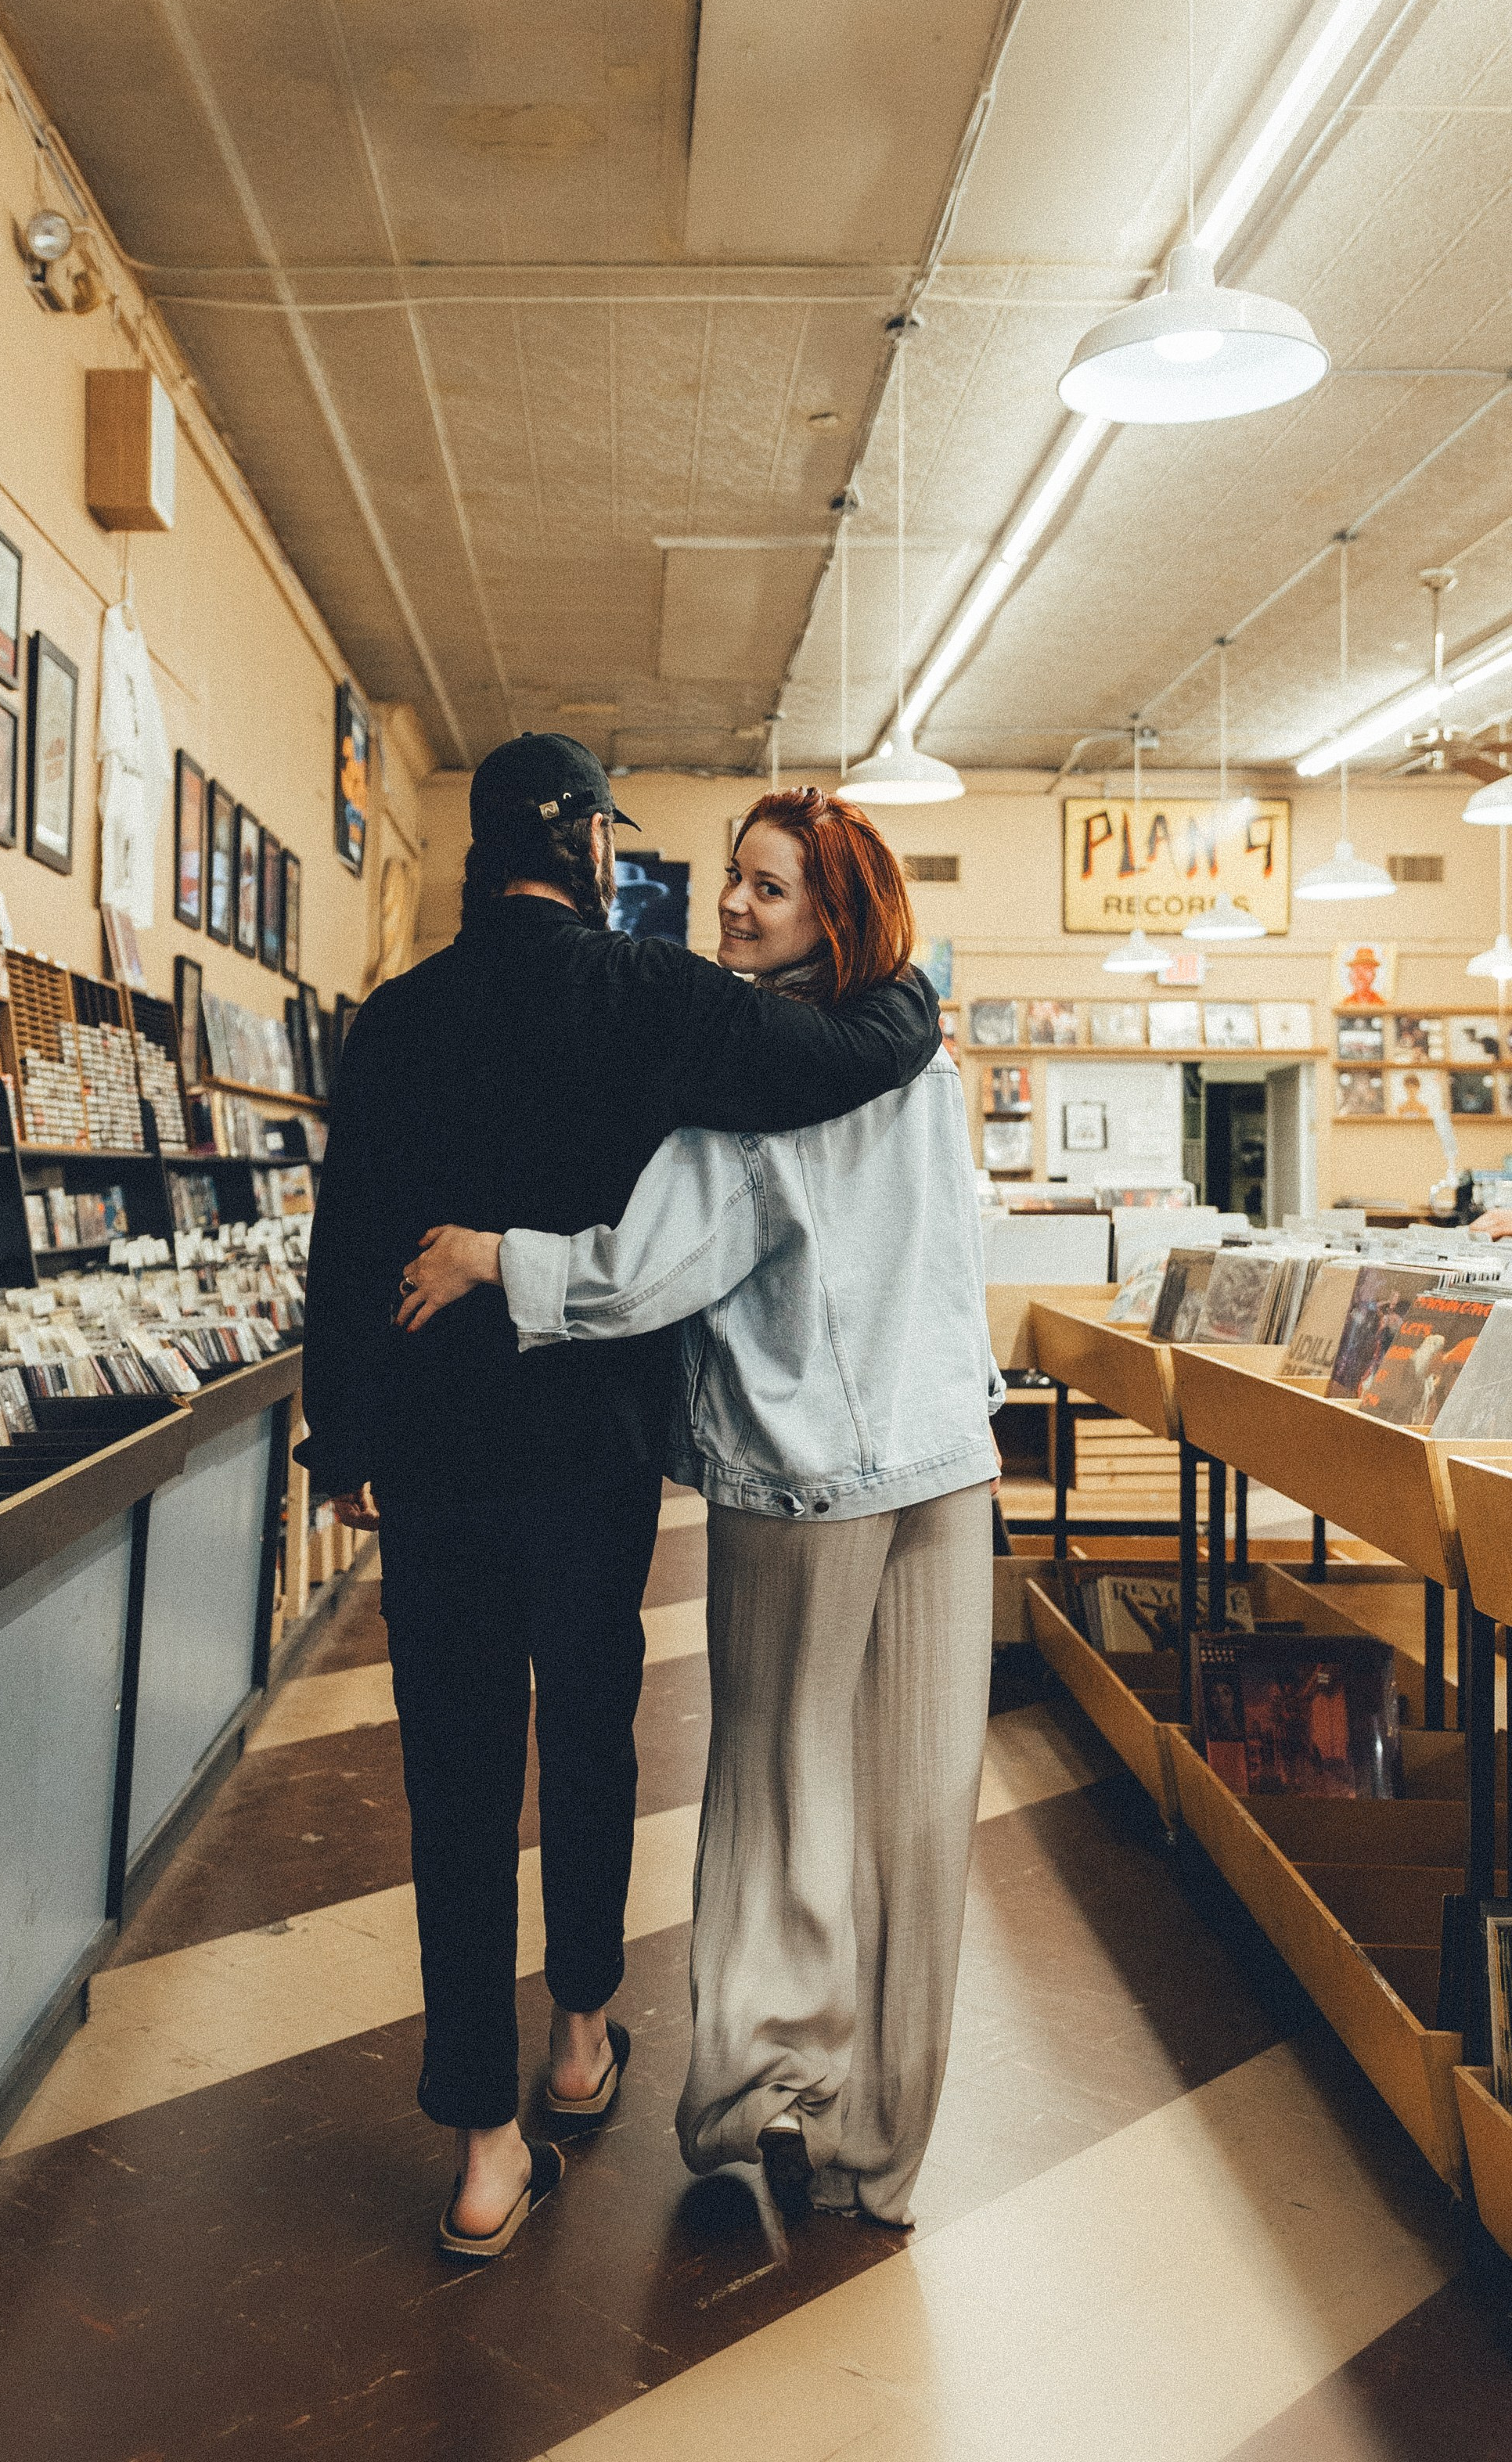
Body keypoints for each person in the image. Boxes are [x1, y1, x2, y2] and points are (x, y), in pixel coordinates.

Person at [301, 737, 942, 2259]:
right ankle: (582, 2040)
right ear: (590, 843)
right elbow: (842, 1057)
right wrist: (916, 988)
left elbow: (346, 1237)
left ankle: (482, 2151)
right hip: (592, 1448)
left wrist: (342, 1445)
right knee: (589, 1736)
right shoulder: (650, 992)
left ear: (478, 852)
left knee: (455, 1779)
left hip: (436, 1453)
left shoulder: (397, 1017)